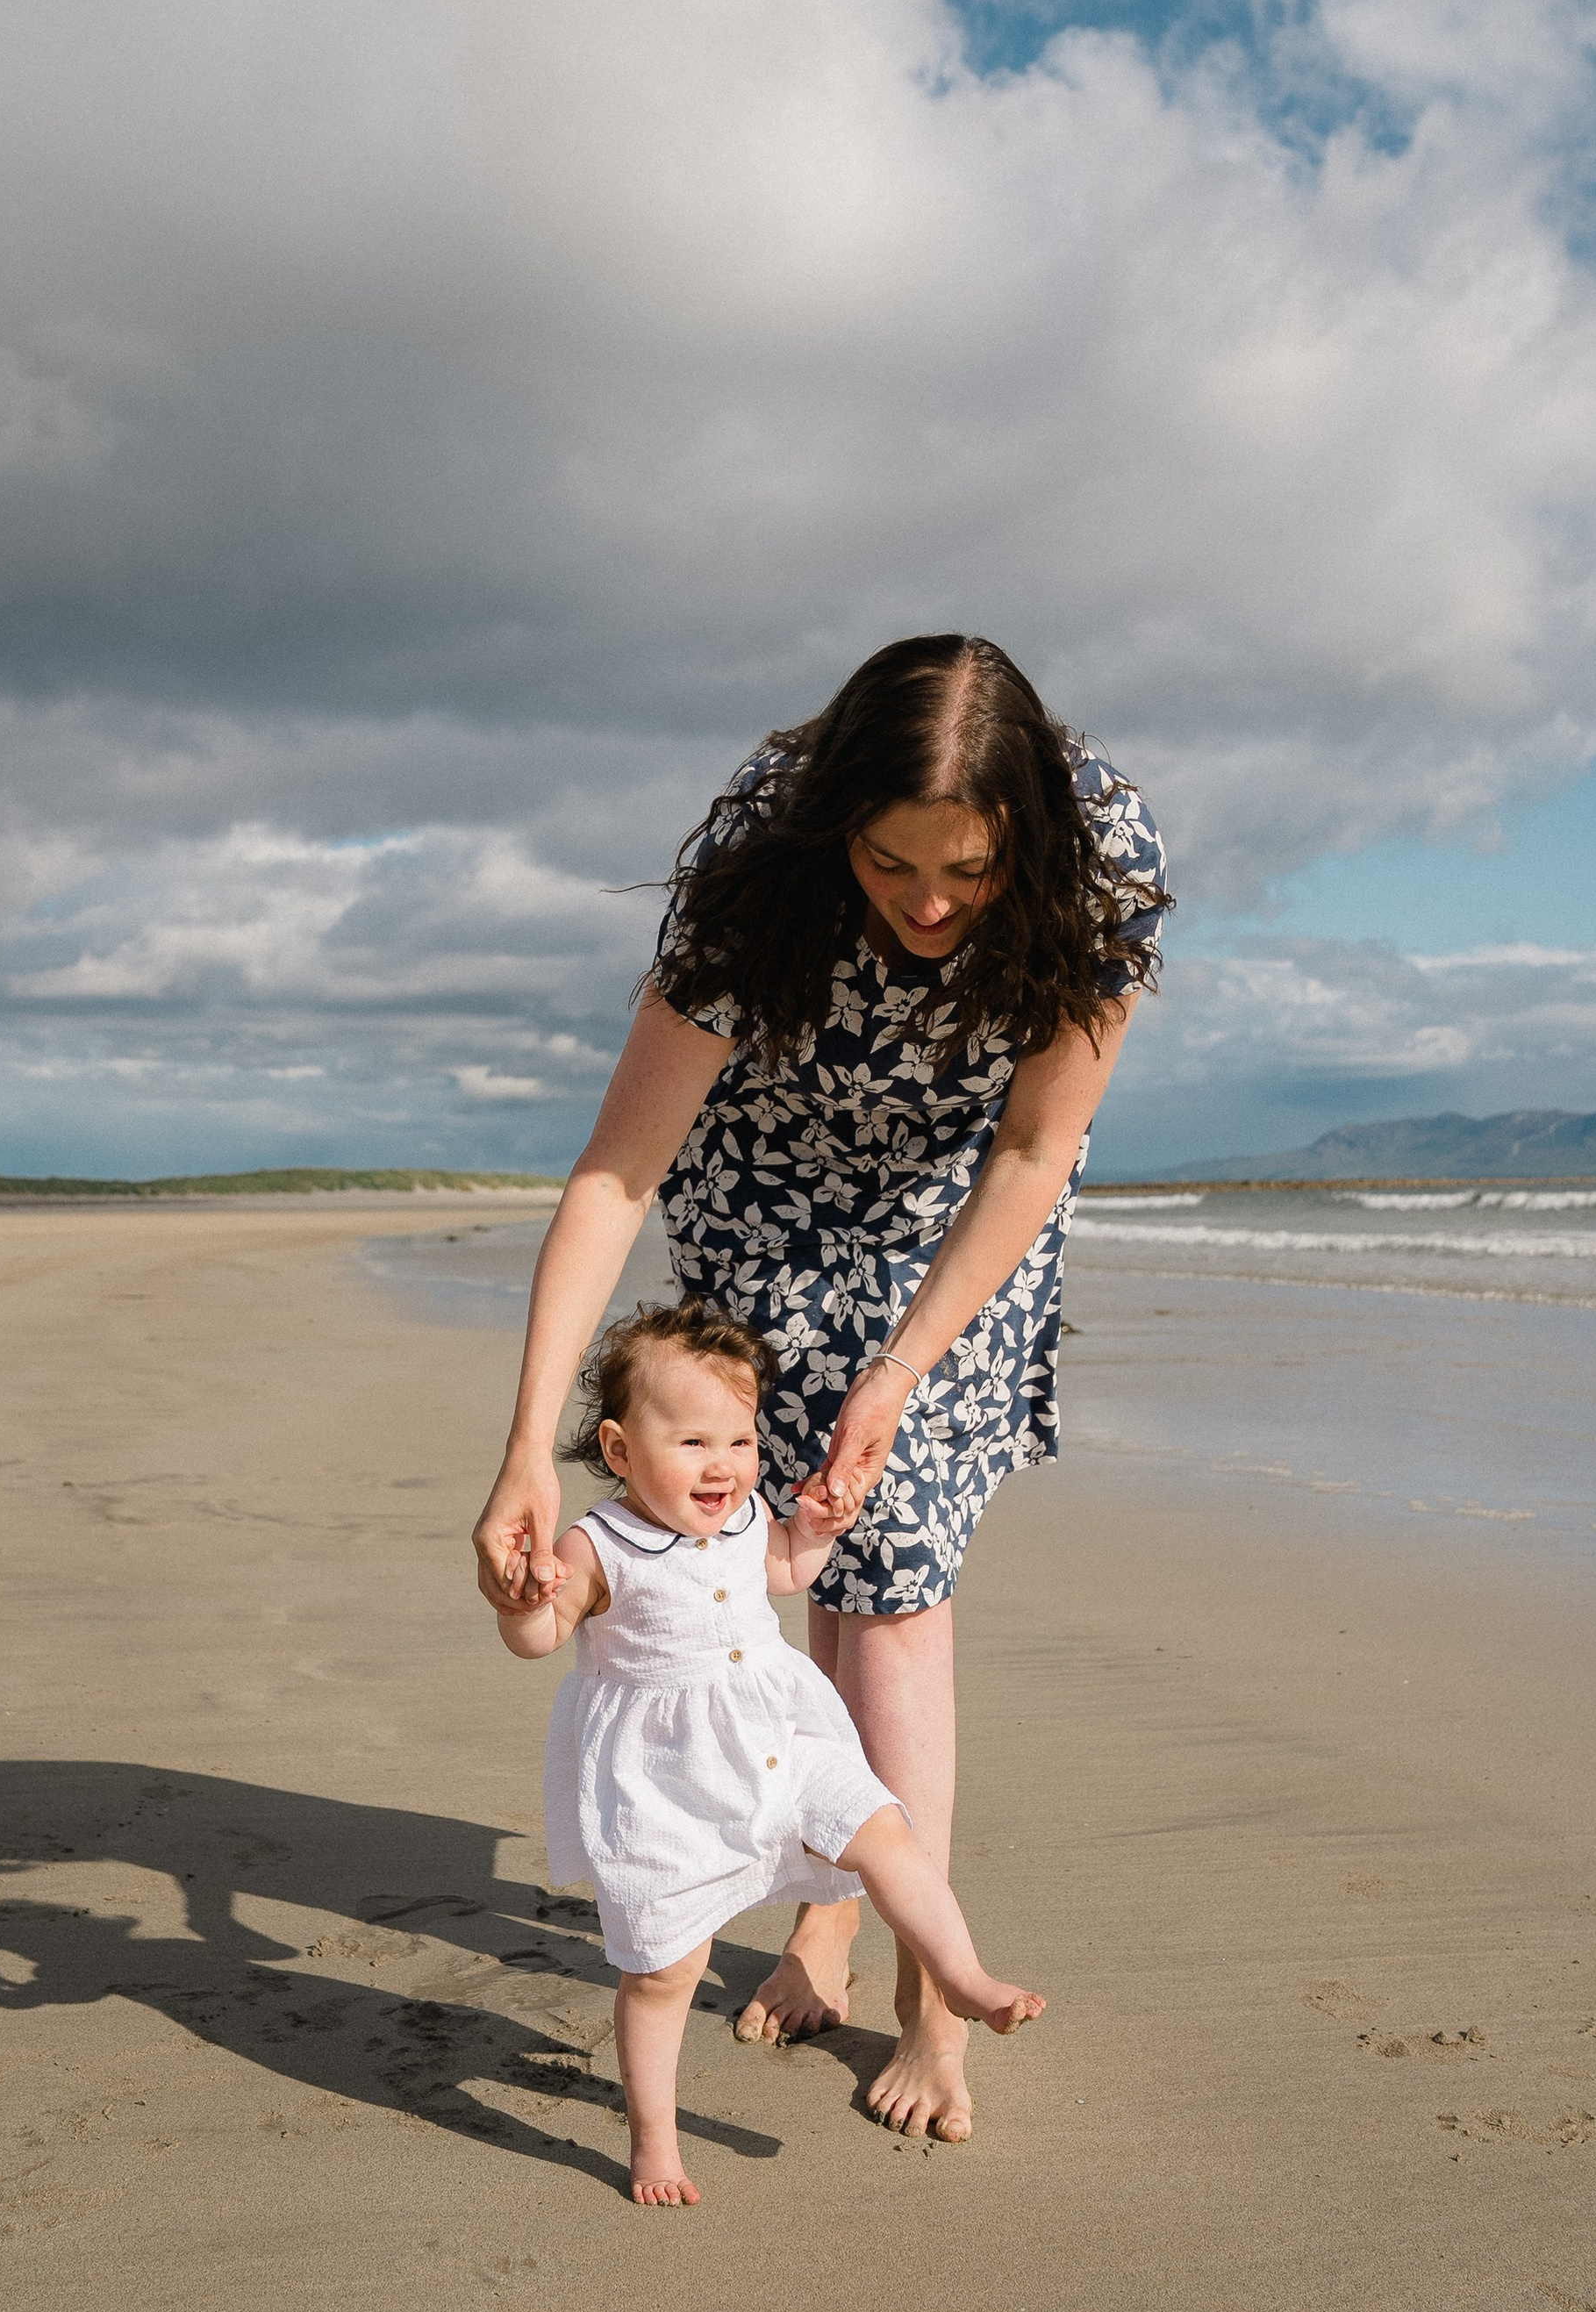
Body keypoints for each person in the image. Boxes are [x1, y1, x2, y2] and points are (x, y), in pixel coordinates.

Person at [471, 632, 1165, 2143]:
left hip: (961, 1210)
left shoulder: (1103, 856)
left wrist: (904, 1367)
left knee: (895, 1587)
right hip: (763, 1191)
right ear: (832, 823)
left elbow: (1037, 1150)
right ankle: (823, 1916)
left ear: (1028, 842)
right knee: (766, 1553)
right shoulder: (759, 855)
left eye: (970, 871)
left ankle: (929, 2002)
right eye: (889, 859)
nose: (927, 903)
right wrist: (527, 1445)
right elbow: (617, 1168)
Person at [496, 1300, 1044, 2205]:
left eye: (740, 1440)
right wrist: (524, 1599)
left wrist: (816, 1532)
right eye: (693, 1443)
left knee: (881, 1827)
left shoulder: (747, 1512)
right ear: (622, 1449)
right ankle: (655, 2139)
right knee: (664, 1970)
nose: (724, 1464)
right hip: (667, 1784)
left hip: (783, 1738)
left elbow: (782, 1570)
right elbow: (540, 1635)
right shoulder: (597, 1544)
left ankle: (958, 1973)